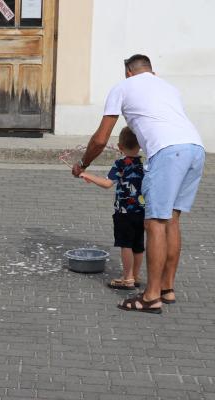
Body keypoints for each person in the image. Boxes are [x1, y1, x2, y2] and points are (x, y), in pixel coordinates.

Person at [72, 54, 205, 314]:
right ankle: (166, 288)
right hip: (195, 149)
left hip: (167, 152)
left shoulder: (123, 87)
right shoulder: (169, 88)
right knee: (172, 219)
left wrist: (83, 164)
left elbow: (100, 139)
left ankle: (151, 297)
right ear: (151, 72)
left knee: (154, 223)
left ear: (129, 73)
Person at [79, 127, 145, 290]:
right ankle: (135, 276)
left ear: (120, 146)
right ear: (140, 145)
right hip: (142, 212)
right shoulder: (144, 163)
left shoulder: (120, 163)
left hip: (124, 212)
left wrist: (87, 175)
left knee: (126, 245)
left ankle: (127, 278)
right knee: (138, 245)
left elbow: (107, 183)